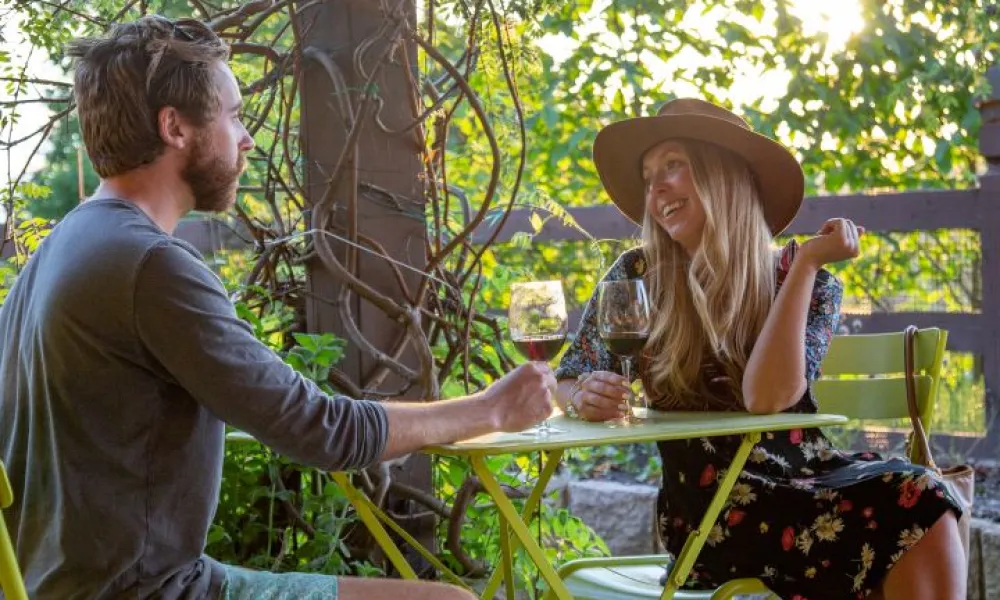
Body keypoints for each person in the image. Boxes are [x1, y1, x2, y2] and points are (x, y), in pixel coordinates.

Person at [0, 15, 555, 600]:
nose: (247, 139)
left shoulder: (60, 249)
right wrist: (491, 409)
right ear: (175, 127)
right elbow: (323, 431)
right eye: (233, 115)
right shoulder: (150, 265)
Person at [554, 98, 966, 600]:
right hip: (711, 514)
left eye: (672, 165)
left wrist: (805, 266)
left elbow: (768, 397)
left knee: (922, 497)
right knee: (915, 503)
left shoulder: (808, 281)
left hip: (808, 481)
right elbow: (566, 379)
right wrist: (582, 396)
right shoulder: (638, 276)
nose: (655, 188)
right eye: (647, 177)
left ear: (723, 175)